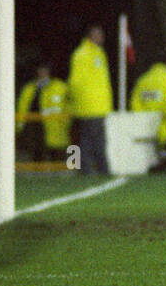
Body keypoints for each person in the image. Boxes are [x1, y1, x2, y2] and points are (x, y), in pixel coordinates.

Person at [68, 24, 113, 174]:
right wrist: (79, 101)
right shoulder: (82, 54)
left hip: (97, 105)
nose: (102, 37)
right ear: (91, 35)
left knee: (88, 140)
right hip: (90, 105)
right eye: (99, 34)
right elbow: (75, 81)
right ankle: (101, 169)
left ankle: (86, 169)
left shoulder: (98, 53)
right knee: (94, 140)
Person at [15, 62, 70, 162]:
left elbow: (69, 104)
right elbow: (22, 106)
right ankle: (38, 170)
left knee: (57, 152)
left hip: (55, 125)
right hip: (34, 125)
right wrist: (20, 125)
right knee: (36, 151)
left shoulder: (60, 86)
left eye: (45, 70)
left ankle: (62, 169)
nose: (42, 72)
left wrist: (68, 120)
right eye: (40, 70)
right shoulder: (29, 88)